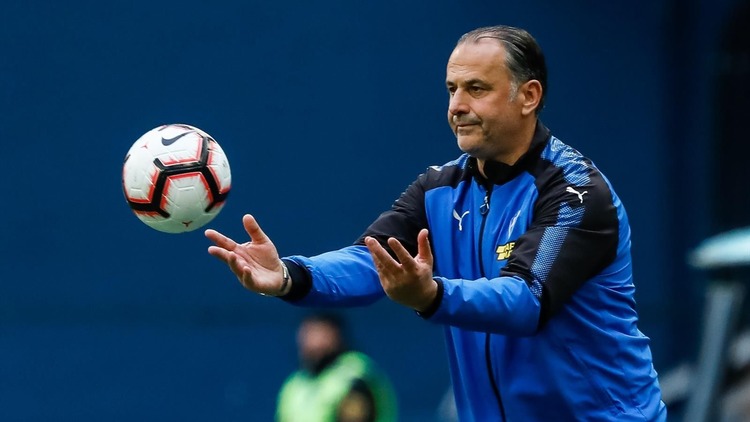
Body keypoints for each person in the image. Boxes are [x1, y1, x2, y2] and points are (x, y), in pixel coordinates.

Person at [206, 25, 667, 421]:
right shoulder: (438, 187)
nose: (456, 106)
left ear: (529, 96)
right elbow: (372, 260)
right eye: (451, 89)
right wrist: (289, 275)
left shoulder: (575, 191)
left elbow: (526, 300)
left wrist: (432, 296)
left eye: (476, 89)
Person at [275, 312, 397, 422]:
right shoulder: (294, 383)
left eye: (318, 334)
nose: (310, 342)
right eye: (306, 334)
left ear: (335, 335)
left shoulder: (354, 374)